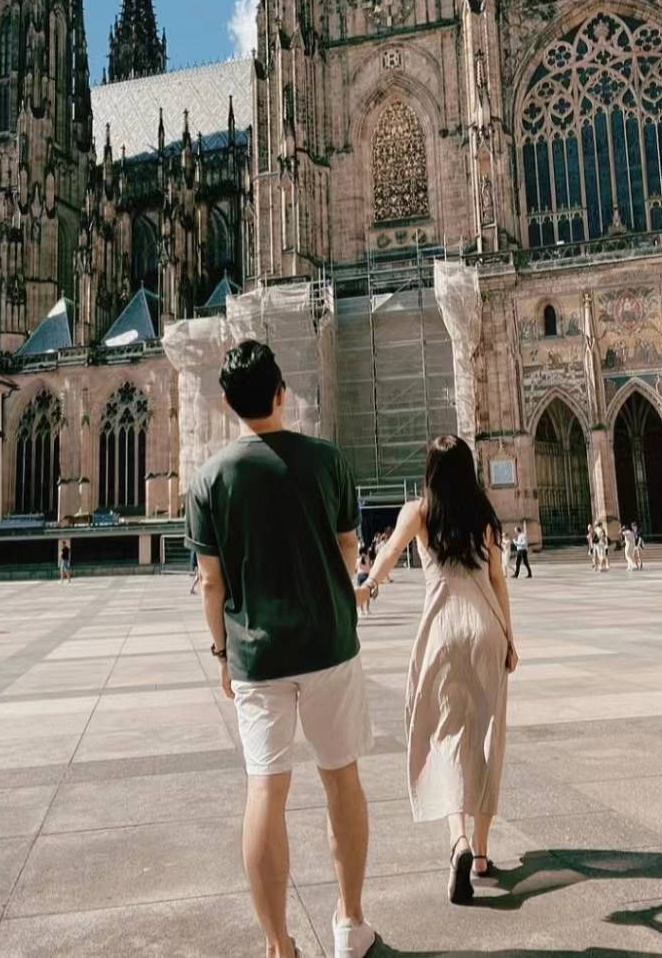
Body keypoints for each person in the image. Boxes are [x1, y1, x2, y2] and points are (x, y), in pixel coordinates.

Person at [185, 341, 376, 958]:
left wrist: (222, 655)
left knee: (265, 790)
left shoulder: (210, 479)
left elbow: (211, 583)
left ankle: (278, 946)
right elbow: (347, 547)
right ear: (281, 393)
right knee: (341, 781)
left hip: (256, 655)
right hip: (329, 643)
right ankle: (349, 924)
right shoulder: (326, 460)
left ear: (227, 405)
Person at [354, 435, 518, 905]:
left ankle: (458, 840)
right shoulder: (483, 514)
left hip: (443, 632)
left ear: (430, 472)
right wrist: (510, 638)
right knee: (486, 738)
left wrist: (366, 588)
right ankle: (482, 855)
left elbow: (387, 556)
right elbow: (498, 581)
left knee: (446, 737)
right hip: (486, 628)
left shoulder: (419, 512)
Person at [355, 546, 372, 617]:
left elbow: (355, 569)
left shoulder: (358, 559)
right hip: (367, 575)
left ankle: (361, 611)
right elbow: (370, 566)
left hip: (360, 576)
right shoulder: (368, 559)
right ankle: (367, 609)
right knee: (367, 593)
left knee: (360, 593)